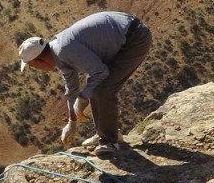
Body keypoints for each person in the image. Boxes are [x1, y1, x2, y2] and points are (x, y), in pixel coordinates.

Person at [18, 11, 153, 156]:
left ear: (39, 60)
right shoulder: (58, 53)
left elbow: (101, 72)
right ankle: (106, 132)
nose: (35, 69)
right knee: (94, 85)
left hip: (135, 38)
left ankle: (110, 141)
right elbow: (71, 89)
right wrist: (72, 122)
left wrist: (82, 98)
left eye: (32, 66)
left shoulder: (65, 50)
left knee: (102, 90)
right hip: (125, 34)